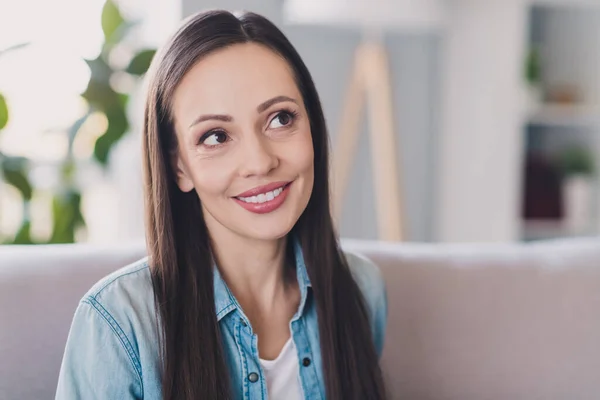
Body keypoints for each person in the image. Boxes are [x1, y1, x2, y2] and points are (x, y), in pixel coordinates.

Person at [55, 9, 387, 400]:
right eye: (215, 137)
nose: (260, 162)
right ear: (179, 166)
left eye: (280, 119)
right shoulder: (118, 323)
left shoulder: (362, 289)